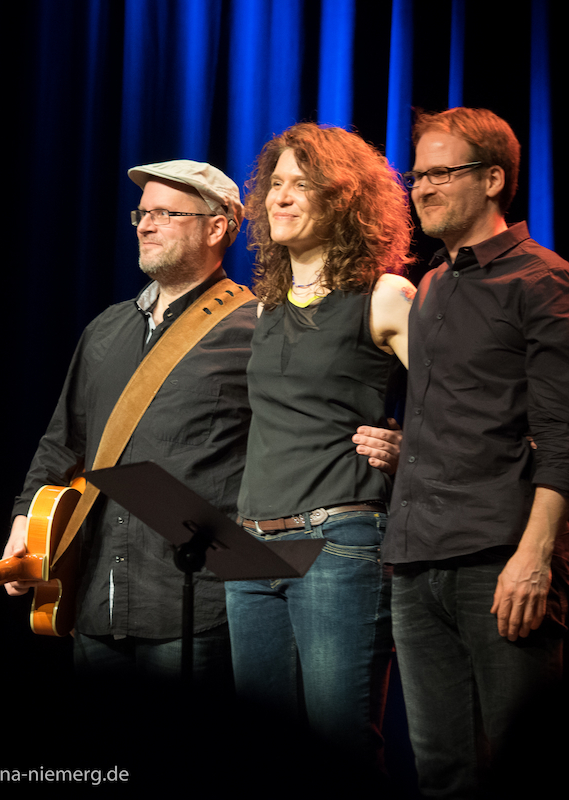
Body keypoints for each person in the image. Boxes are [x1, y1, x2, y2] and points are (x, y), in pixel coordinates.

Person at [368, 107, 569, 798]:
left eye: (439, 173)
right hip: (416, 557)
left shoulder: (541, 281)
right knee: (443, 775)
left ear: (493, 179)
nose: (420, 188)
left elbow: (565, 433)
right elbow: (468, 417)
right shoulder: (431, 286)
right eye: (416, 174)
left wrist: (534, 556)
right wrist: (410, 452)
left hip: (499, 559)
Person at [2, 160, 256, 690]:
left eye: (166, 212)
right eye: (142, 212)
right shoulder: (106, 328)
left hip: (196, 608)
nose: (145, 224)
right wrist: (25, 522)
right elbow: (62, 442)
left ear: (216, 227)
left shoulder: (257, 327)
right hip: (97, 603)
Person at [224, 122, 416, 777]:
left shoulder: (385, 297)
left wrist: (406, 442)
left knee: (339, 750)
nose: (278, 198)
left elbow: (463, 411)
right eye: (274, 185)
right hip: (249, 548)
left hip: (337, 543)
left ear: (342, 198)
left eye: (299, 185)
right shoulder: (264, 308)